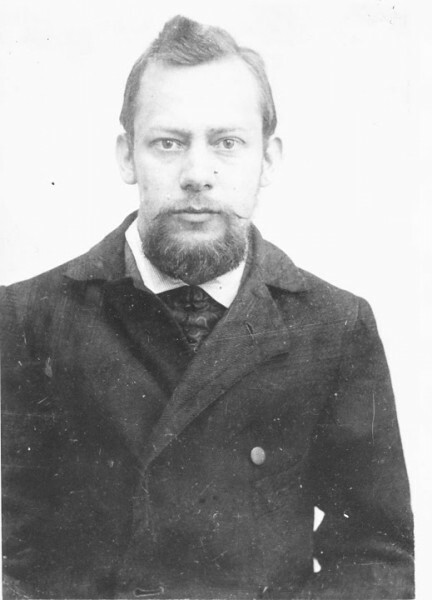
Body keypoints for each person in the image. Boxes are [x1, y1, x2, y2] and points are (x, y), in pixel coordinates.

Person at [0, 15, 414, 600]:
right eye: (168, 143)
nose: (198, 174)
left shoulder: (334, 328)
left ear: (267, 160)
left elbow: (375, 556)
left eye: (227, 143)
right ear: (127, 157)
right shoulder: (28, 320)